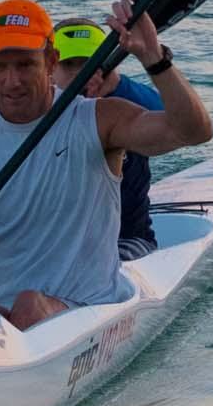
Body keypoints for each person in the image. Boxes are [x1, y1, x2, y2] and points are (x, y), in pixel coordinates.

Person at [0, 0, 212, 329]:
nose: (12, 81)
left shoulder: (100, 121)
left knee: (28, 306)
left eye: (25, 65)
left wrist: (153, 58)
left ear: (51, 60)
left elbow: (193, 131)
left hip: (87, 309)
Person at [51, 18, 165, 261]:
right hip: (54, 243)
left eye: (91, 64)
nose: (82, 73)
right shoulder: (29, 115)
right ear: (49, 70)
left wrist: (115, 83)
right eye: (70, 64)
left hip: (126, 241)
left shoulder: (129, 110)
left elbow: (179, 124)